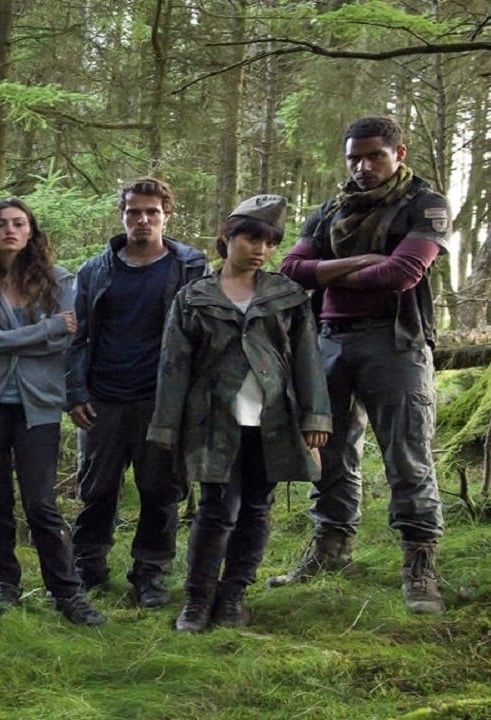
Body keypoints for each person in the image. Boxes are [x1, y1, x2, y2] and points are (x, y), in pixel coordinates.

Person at [270, 116, 450, 614]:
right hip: (327, 342)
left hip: (395, 343)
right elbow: (290, 270)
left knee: (407, 455)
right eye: (354, 158)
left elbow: (402, 273)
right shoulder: (331, 210)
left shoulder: (425, 204)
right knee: (327, 450)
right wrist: (359, 262)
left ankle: (420, 564)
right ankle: (331, 549)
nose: (363, 167)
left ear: (399, 153)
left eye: (375, 156)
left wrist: (328, 273)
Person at [148, 195, 332, 632]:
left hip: (273, 421)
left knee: (256, 509)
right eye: (251, 239)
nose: (260, 250)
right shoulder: (194, 297)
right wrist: (166, 426)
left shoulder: (287, 296)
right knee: (217, 509)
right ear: (227, 237)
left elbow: (308, 359)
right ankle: (197, 601)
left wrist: (316, 418)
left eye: (270, 242)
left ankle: (233, 597)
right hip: (214, 421)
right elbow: (173, 366)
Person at [0, 198, 105, 626]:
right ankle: (4, 584)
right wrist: (45, 329)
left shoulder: (60, 280)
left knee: (40, 501)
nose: (10, 230)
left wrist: (15, 339)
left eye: (19, 223)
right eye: (1, 224)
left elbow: (66, 340)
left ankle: (67, 591)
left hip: (38, 405)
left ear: (31, 232)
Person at [63, 177, 208, 607]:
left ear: (167, 215)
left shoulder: (190, 268)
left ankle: (150, 573)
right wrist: (75, 392)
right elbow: (76, 337)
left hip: (162, 399)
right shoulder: (95, 270)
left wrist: (193, 401)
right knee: (97, 489)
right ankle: (87, 567)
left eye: (151, 212)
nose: (142, 219)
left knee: (160, 490)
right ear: (122, 215)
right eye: (133, 212)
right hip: (103, 398)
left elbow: (205, 336)